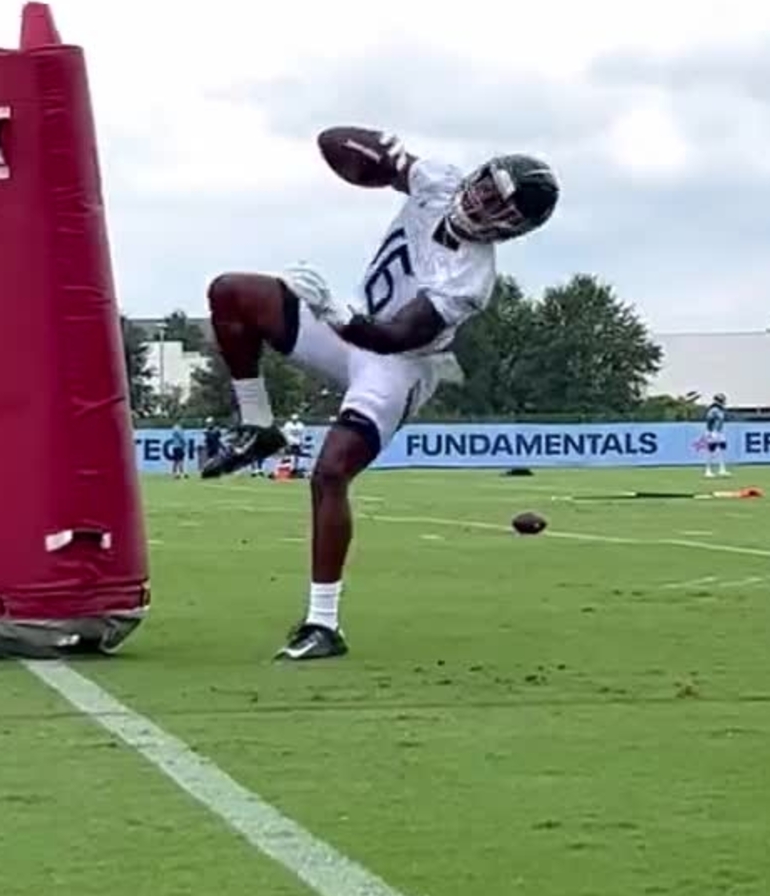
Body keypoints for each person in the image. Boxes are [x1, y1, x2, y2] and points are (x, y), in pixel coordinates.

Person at [203, 129, 558, 659]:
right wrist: (378, 152)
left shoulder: (470, 278)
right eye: (484, 187)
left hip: (398, 366)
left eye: (496, 206)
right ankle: (257, 423)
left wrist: (335, 314)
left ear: (510, 230)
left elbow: (395, 337)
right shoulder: (439, 180)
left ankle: (323, 624)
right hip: (350, 330)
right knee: (231, 292)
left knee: (330, 473)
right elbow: (335, 144)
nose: (479, 201)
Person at [703, 393, 728, 479]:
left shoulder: (720, 410)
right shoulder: (714, 410)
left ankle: (722, 469)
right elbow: (709, 421)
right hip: (712, 432)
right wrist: (711, 432)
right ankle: (708, 470)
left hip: (719, 432)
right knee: (711, 451)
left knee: (722, 449)